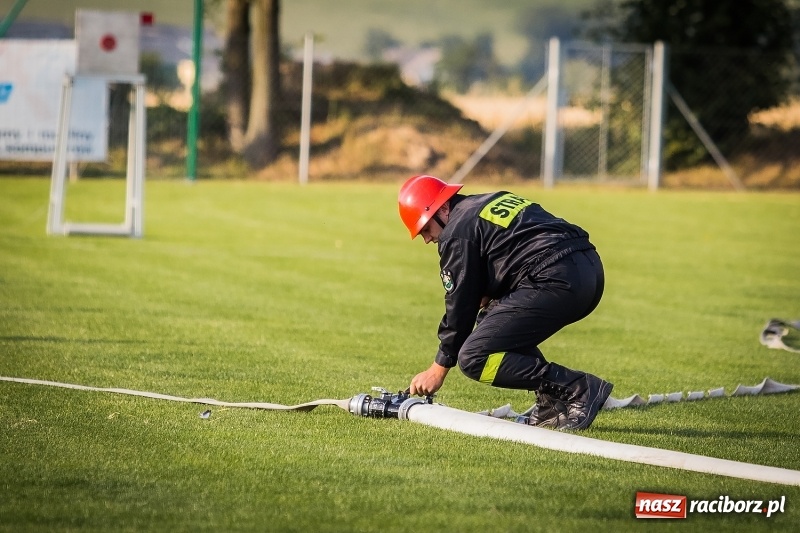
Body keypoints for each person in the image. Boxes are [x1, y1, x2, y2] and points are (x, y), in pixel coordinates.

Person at [398, 175, 613, 430]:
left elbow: (460, 307)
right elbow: (516, 249)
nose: (427, 239)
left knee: (474, 357)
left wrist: (438, 368)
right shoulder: (486, 202)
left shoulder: (457, 232)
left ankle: (578, 388)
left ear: (443, 208)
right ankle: (551, 404)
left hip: (557, 280)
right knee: (492, 322)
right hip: (588, 270)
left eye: (425, 229)